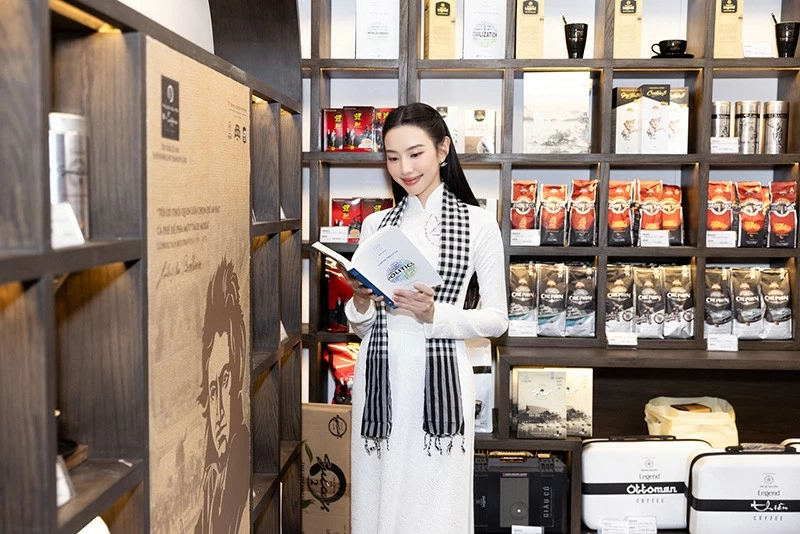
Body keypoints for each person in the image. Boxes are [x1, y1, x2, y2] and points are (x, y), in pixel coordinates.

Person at [342, 103, 508, 533]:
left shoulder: (478, 223)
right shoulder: (377, 225)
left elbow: (497, 320)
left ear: (442, 149)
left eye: (415, 154)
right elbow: (362, 327)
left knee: (436, 501)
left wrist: (436, 314)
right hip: (380, 377)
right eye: (393, 157)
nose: (405, 168)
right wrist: (360, 299)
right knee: (377, 494)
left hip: (441, 378)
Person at [195, 258, 250, 534]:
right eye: (212, 390)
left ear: (238, 376)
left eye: (226, 379)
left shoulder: (239, 457)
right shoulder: (211, 476)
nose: (218, 414)